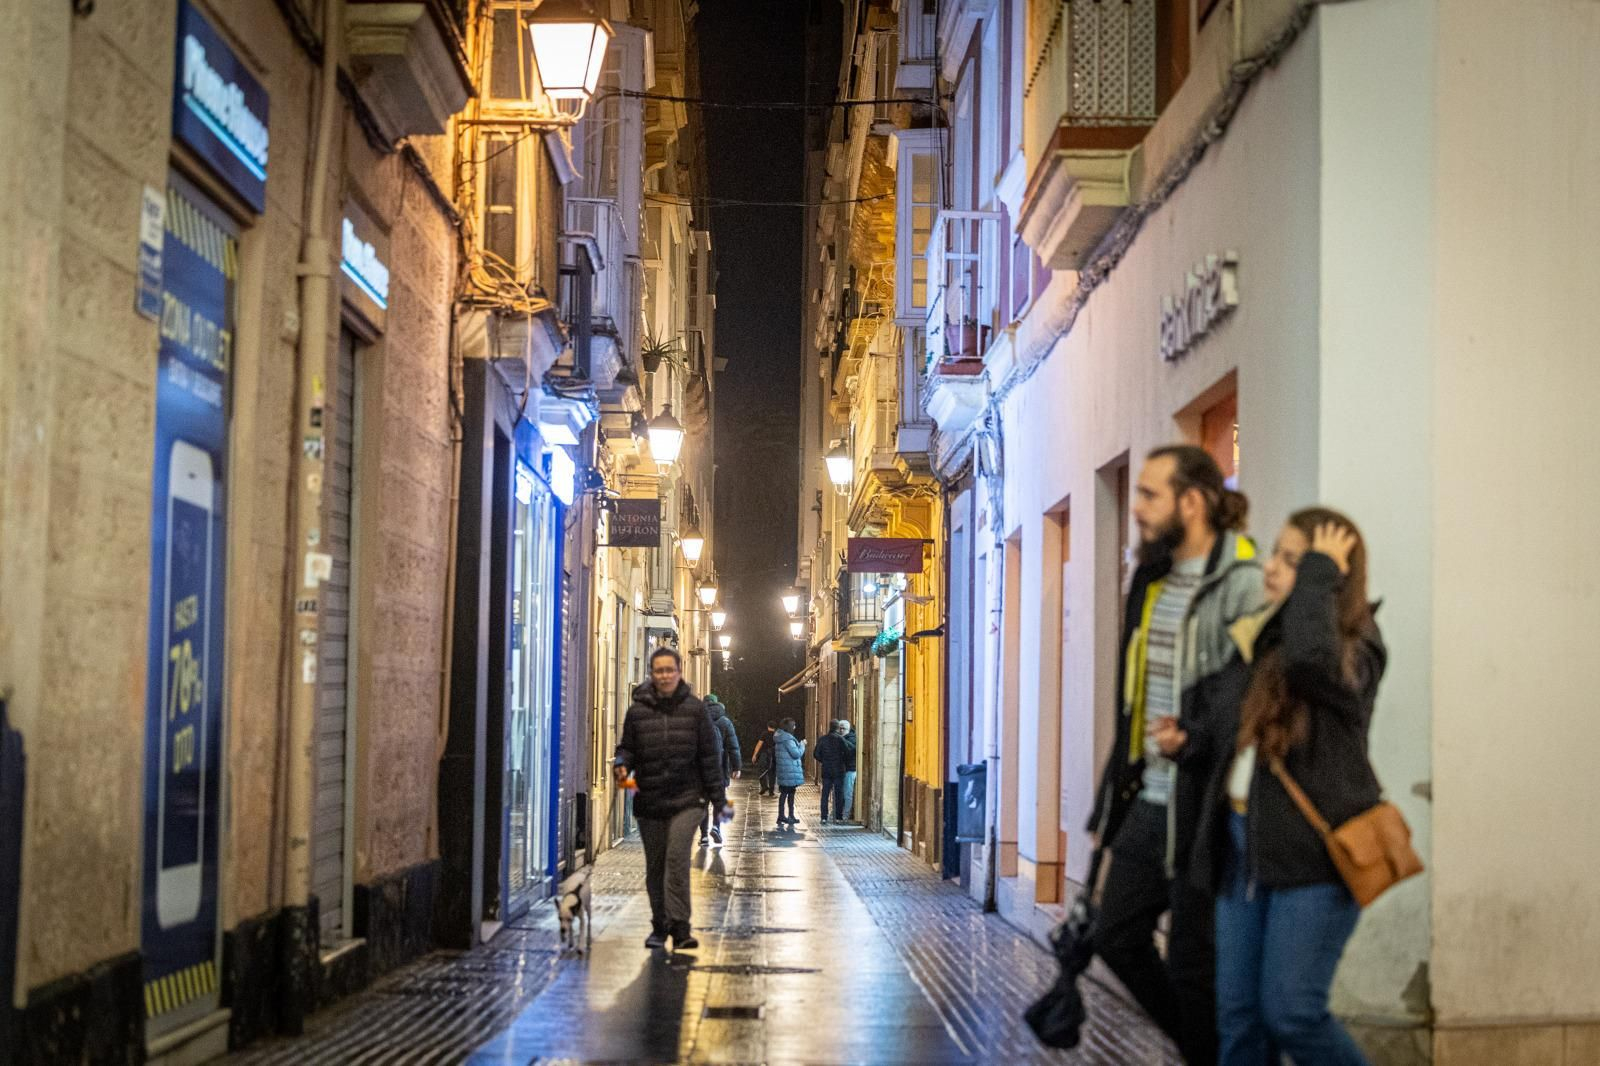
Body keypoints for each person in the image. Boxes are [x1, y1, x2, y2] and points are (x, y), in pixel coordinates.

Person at [1086, 445, 1263, 1066]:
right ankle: (1204, 1052)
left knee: (1194, 965)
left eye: (1150, 494)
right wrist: (1117, 785)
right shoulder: (1152, 580)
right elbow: (1132, 696)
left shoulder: (1241, 582)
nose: (1136, 508)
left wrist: (1198, 735)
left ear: (1194, 501)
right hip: (1149, 796)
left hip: (1205, 803)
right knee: (1115, 936)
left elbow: (1255, 688)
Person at [1188, 510, 1383, 1066]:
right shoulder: (1268, 640)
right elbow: (1230, 725)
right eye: (1276, 554)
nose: (1270, 568)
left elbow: (1312, 663)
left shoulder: (1360, 648)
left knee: (1292, 1012)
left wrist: (1317, 574)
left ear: (1334, 575)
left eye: (1292, 559)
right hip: (1242, 844)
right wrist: (1191, 736)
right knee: (1240, 1020)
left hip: (1314, 857)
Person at [613, 647, 727, 951]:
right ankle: (659, 925)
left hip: (687, 800)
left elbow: (708, 757)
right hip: (649, 800)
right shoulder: (637, 712)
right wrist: (621, 764)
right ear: (653, 673)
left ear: (679, 672)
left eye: (669, 670)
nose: (664, 676)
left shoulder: (694, 710)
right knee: (657, 865)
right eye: (659, 670)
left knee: (676, 860)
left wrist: (718, 798)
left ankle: (681, 927)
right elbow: (628, 748)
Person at [700, 694, 741, 847]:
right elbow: (733, 747)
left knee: (702, 803)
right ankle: (716, 827)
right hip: (719, 770)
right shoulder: (725, 722)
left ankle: (704, 836)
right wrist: (736, 767)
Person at [812, 720, 850, 823]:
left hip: (827, 769)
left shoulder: (822, 739)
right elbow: (847, 753)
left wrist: (823, 760)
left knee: (825, 794)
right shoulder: (841, 739)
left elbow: (815, 754)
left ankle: (824, 817)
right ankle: (838, 817)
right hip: (839, 770)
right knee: (839, 794)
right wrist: (841, 761)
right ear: (837, 728)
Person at [772, 718, 805, 829]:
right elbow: (796, 754)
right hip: (789, 771)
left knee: (784, 793)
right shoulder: (788, 740)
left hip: (783, 771)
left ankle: (782, 815)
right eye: (794, 725)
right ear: (789, 727)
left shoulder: (779, 738)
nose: (795, 727)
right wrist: (802, 745)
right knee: (790, 794)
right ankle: (790, 815)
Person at [750, 721, 778, 796]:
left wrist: (754, 755)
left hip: (765, 755)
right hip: (775, 755)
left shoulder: (764, 734)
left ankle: (764, 786)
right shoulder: (778, 735)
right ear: (775, 727)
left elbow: (759, 745)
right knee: (772, 773)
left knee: (761, 770)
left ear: (768, 726)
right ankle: (771, 791)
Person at [839, 719, 858, 820]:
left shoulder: (851, 739)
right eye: (840, 728)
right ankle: (841, 813)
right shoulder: (841, 738)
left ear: (848, 729)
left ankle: (846, 814)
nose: (841, 730)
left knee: (847, 793)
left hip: (850, 770)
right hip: (843, 770)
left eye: (843, 729)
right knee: (842, 792)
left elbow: (851, 751)